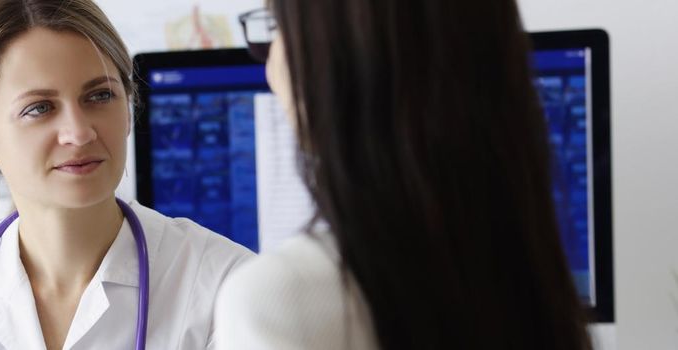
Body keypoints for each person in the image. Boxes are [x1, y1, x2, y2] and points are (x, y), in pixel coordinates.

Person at [0, 0, 253, 349]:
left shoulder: (226, 285)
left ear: (129, 105)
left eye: (100, 96)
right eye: (39, 108)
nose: (80, 132)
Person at [215, 1, 592, 349]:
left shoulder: (278, 299)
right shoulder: (531, 278)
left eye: (279, 26)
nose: (270, 67)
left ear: (338, 56)